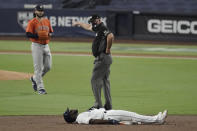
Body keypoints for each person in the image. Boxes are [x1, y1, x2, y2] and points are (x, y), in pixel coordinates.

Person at [72, 14, 114, 110]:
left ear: (99, 20)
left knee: (94, 80)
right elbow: (88, 27)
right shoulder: (98, 28)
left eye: (94, 21)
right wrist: (78, 23)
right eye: (92, 21)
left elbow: (111, 36)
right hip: (106, 58)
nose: (92, 23)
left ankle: (97, 105)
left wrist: (107, 49)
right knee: (105, 80)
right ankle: (108, 106)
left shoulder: (103, 28)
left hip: (103, 58)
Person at [26, 4, 53, 95]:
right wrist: (37, 35)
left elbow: (50, 32)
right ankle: (40, 88)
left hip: (46, 45)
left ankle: (34, 78)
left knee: (48, 67)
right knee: (38, 68)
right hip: (37, 45)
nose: (40, 12)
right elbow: (28, 34)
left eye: (41, 10)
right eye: (38, 10)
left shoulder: (47, 21)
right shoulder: (32, 22)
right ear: (35, 11)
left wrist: (49, 35)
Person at [63, 108, 168, 125]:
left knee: (133, 118)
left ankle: (156, 120)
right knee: (133, 116)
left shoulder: (80, 117)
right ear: (71, 117)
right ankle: (157, 118)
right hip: (109, 115)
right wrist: (109, 122)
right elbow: (92, 121)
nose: (72, 110)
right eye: (70, 111)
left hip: (108, 114)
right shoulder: (80, 118)